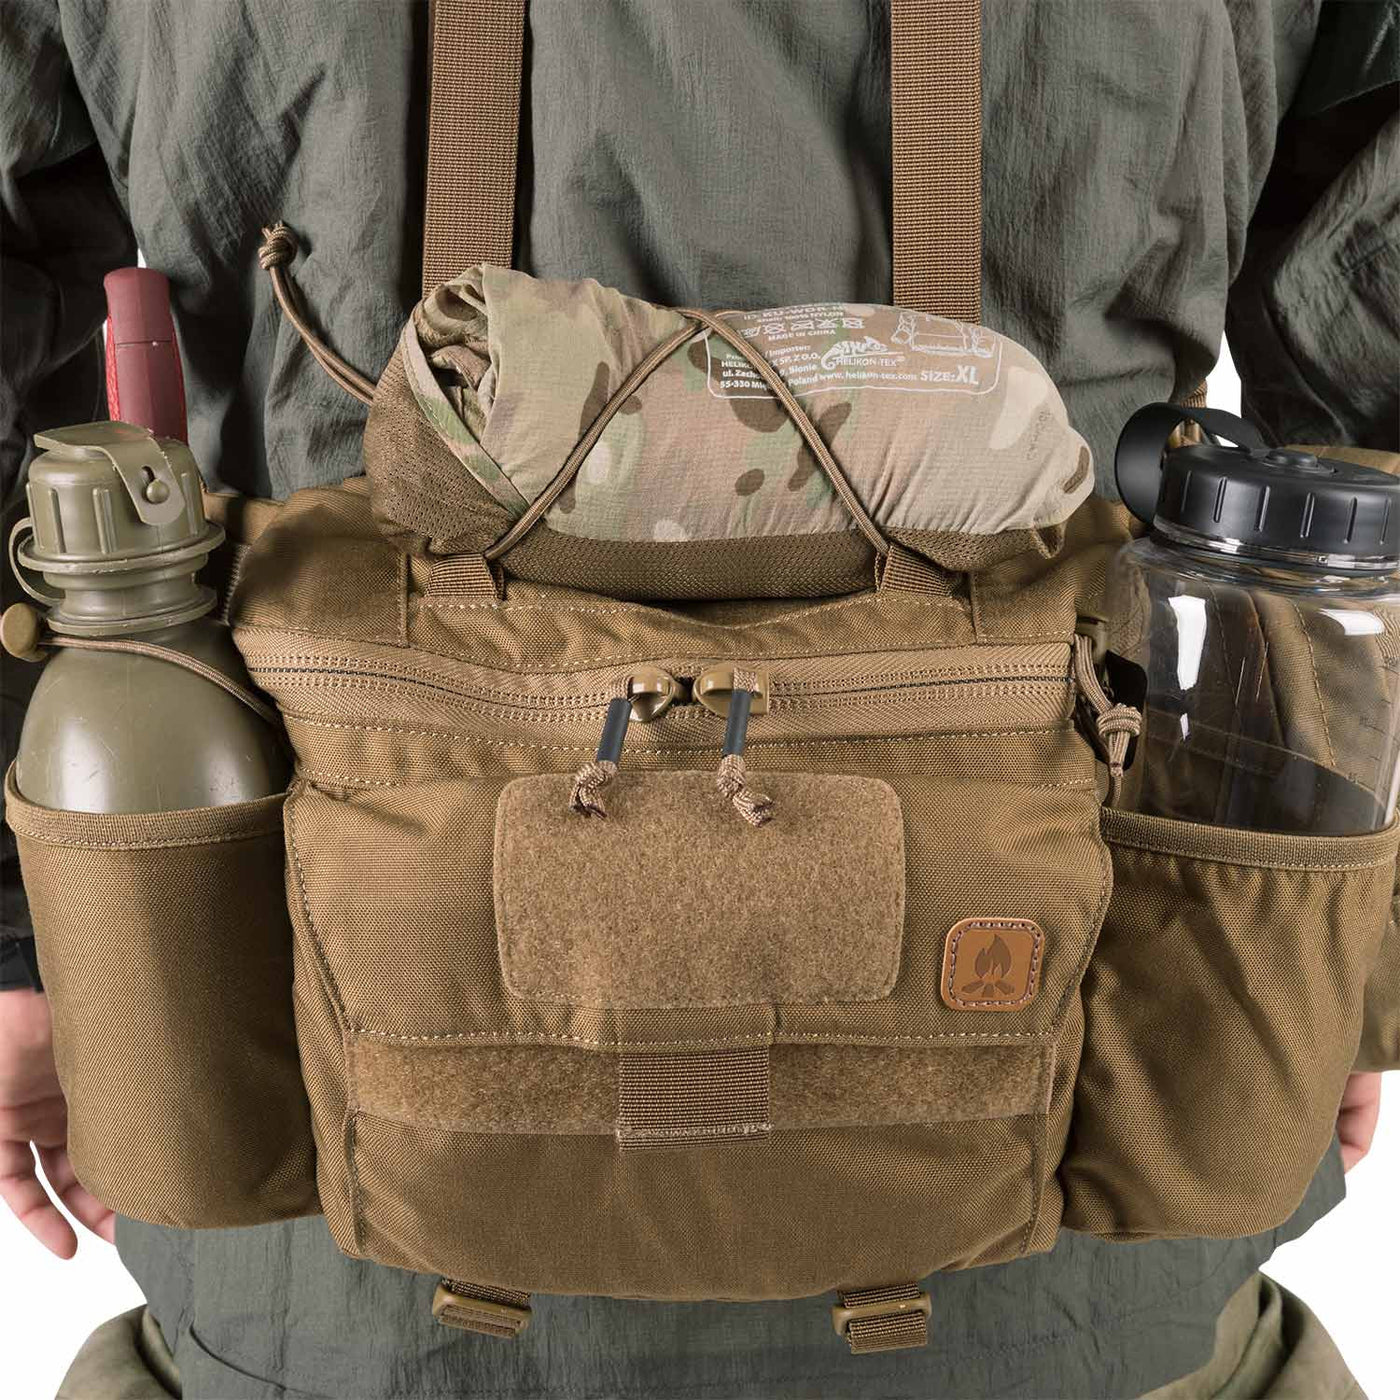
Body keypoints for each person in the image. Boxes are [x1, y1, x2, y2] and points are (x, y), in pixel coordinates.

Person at [2, 3, 1396, 1397]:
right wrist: (1339, 954)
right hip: (1101, 1199)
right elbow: (1358, 416)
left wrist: (27, 943)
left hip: (331, 1264)